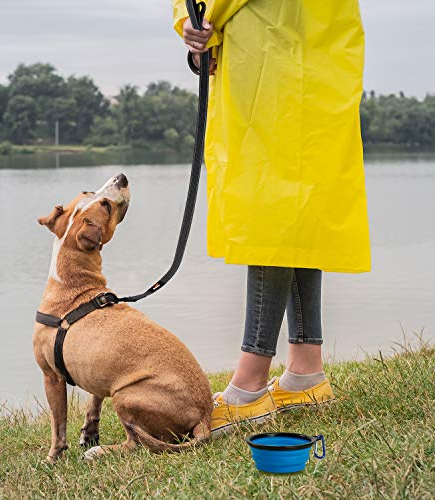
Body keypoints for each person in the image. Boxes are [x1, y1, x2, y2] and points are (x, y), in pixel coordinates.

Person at [173, 0, 370, 435]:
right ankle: (305, 373)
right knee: (295, 215)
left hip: (274, 66)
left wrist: (202, 17)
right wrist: (194, 28)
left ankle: (251, 384)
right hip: (304, 58)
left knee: (270, 216)